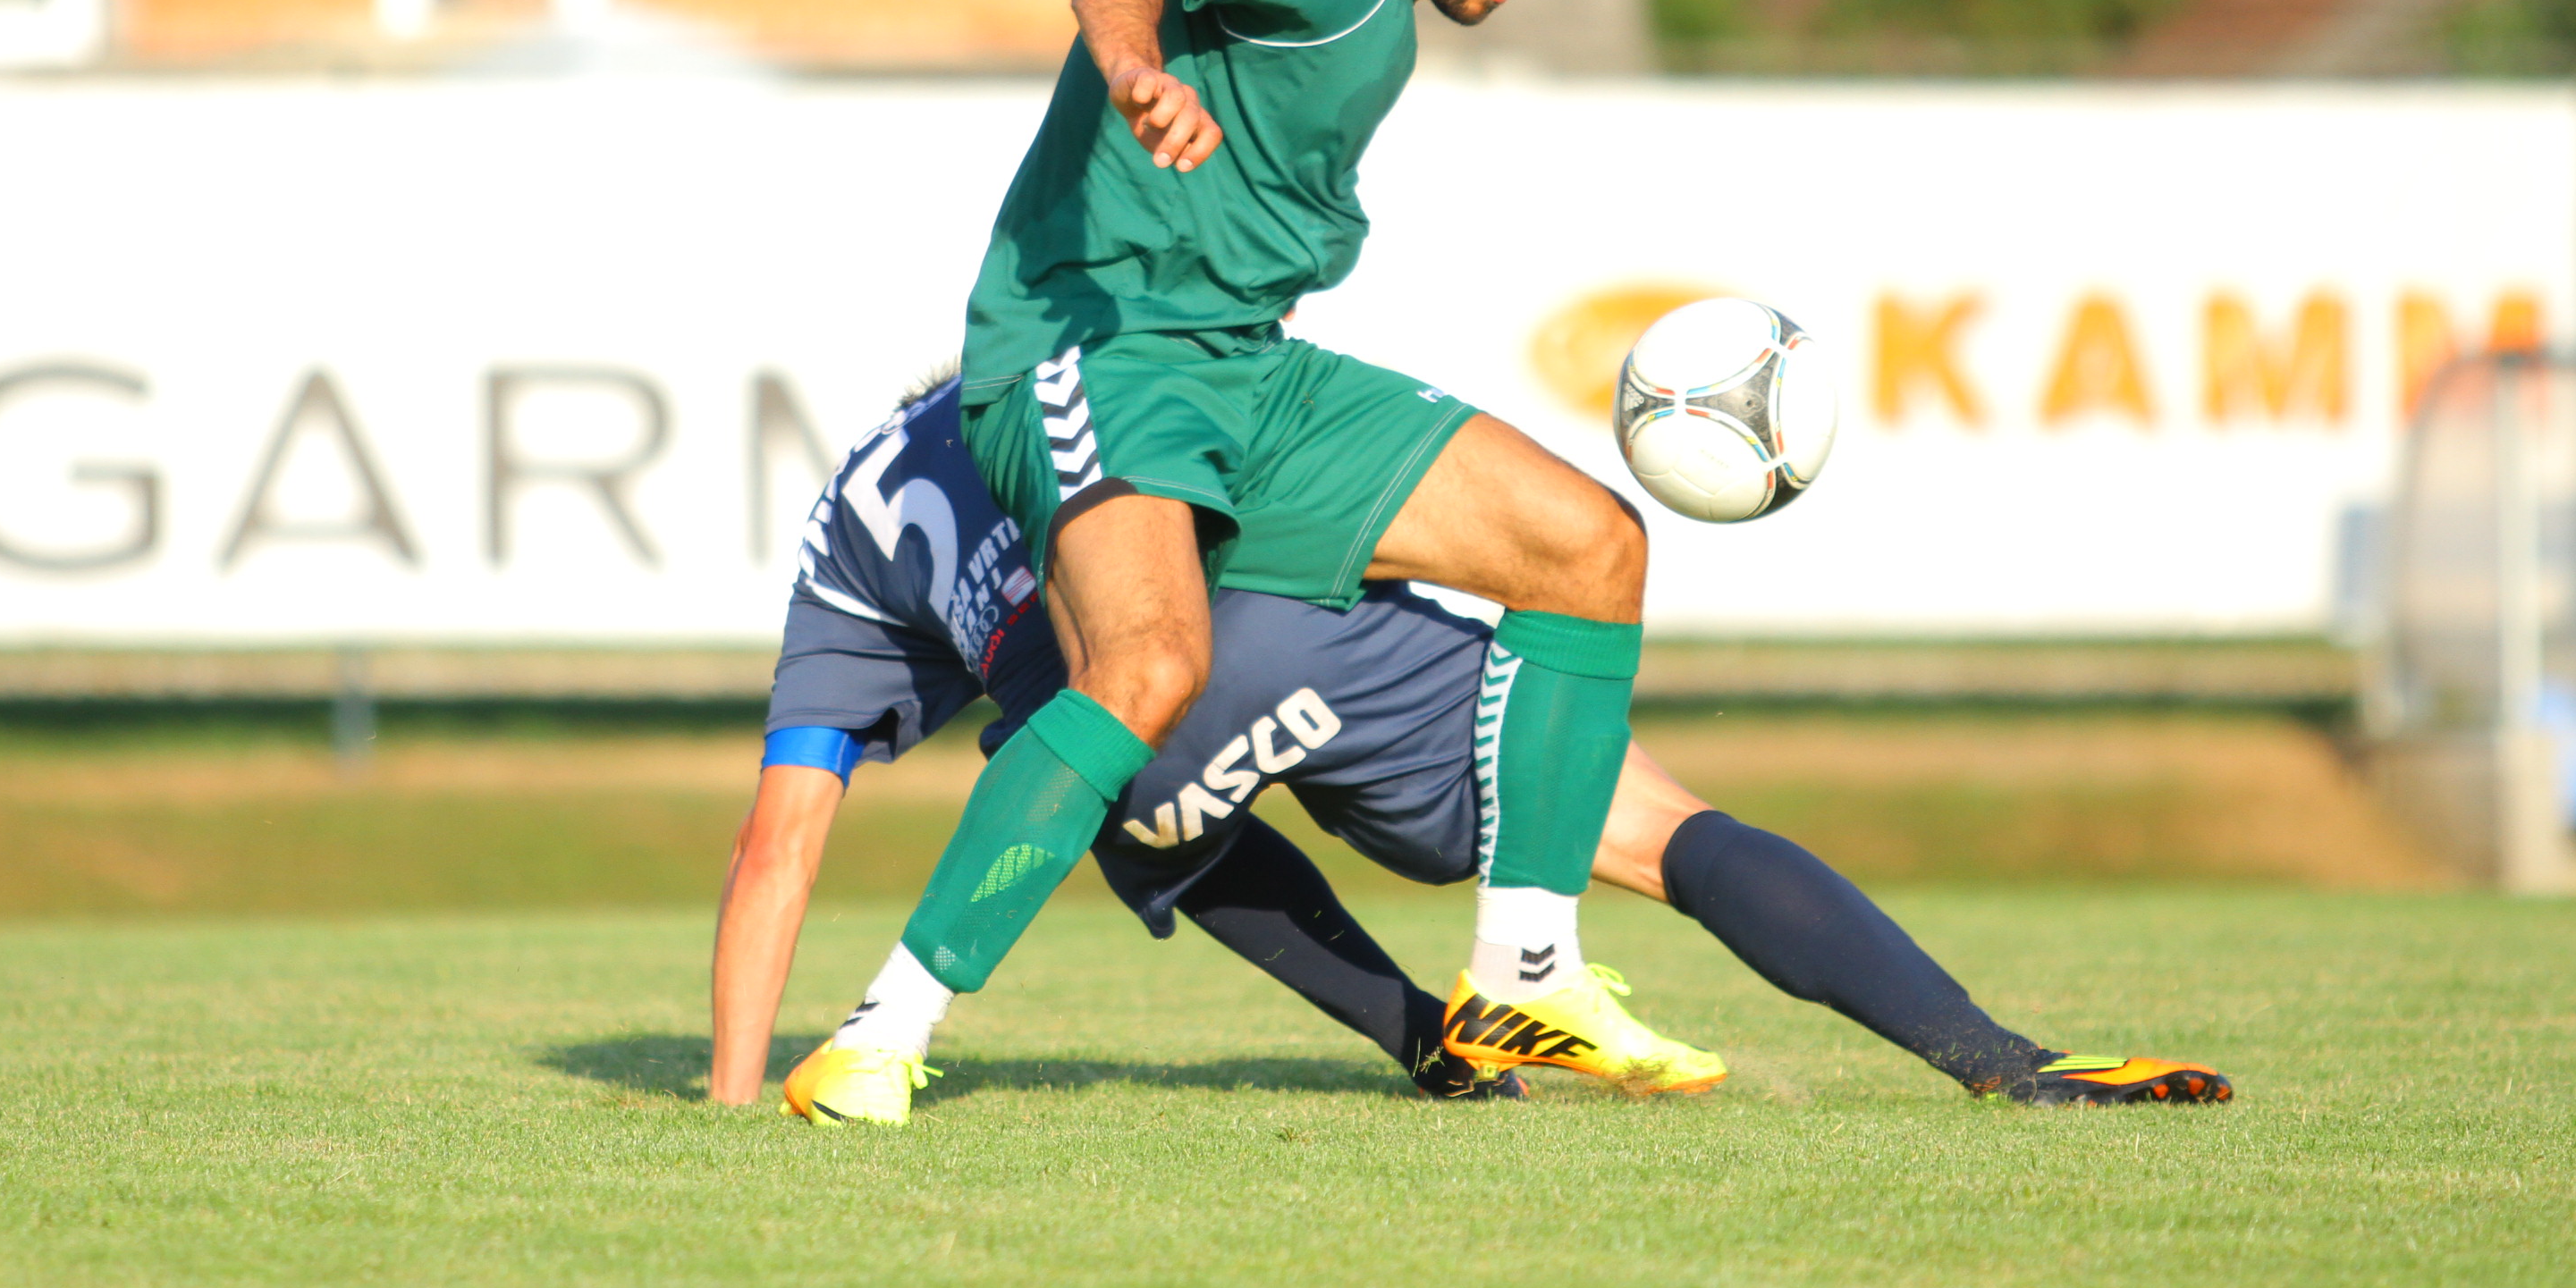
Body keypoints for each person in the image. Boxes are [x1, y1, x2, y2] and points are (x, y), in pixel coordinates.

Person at [789, 0, 1684, 1125]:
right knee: (1151, 668)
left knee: (1590, 546)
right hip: (1095, 351)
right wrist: (1136, 61)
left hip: (1240, 370)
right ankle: (878, 1035)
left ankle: (1527, 968)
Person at [722, 377, 2235, 1123]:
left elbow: (779, 842)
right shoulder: (1069, 390)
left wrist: (727, 1102)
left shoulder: (842, 564)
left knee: (1136, 811)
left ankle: (1423, 1035)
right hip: (1271, 639)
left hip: (1132, 757)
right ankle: (2000, 1066)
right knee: (1651, 822)